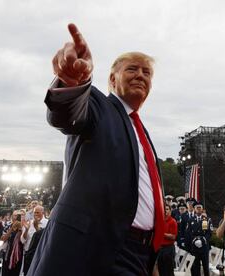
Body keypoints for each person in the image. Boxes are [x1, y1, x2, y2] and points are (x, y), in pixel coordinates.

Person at [28, 23, 164, 276]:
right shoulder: (98, 105)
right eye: (132, 69)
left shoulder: (143, 134)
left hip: (140, 255)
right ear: (112, 79)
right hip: (94, 248)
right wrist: (71, 82)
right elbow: (66, 114)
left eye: (147, 72)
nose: (141, 75)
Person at [187, 202, 212, 276]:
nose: (198, 209)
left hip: (204, 247)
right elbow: (188, 233)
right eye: (197, 207)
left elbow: (209, 232)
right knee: (196, 267)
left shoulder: (206, 220)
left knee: (205, 267)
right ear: (194, 209)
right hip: (194, 247)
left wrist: (202, 240)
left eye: (200, 207)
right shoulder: (190, 220)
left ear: (202, 209)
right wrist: (194, 240)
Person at [21, 206, 48, 275]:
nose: (35, 214)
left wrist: (36, 228)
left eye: (37, 212)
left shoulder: (48, 223)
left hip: (41, 256)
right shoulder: (29, 223)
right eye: (34, 212)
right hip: (29, 256)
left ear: (43, 212)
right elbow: (23, 240)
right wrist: (26, 230)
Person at [157, 204, 177, 276]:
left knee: (168, 270)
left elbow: (173, 237)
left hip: (168, 249)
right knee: (160, 269)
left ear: (170, 211)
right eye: (164, 209)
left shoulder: (172, 221)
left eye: (167, 209)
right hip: (160, 248)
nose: (165, 211)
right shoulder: (160, 220)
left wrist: (162, 234)